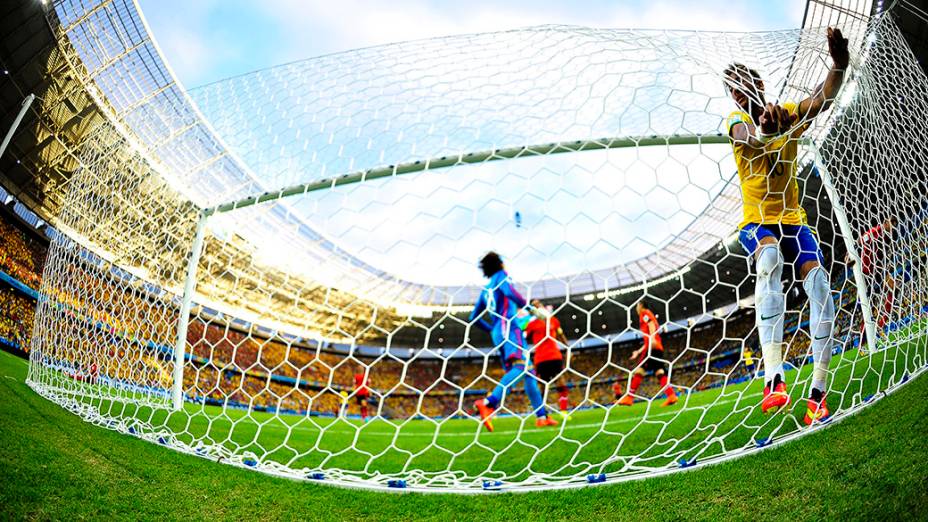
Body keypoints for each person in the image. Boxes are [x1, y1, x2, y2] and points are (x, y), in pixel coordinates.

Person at [723, 27, 849, 424]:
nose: (738, 94)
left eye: (742, 85)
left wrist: (839, 65)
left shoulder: (790, 112)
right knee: (770, 258)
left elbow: (823, 98)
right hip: (756, 222)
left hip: (794, 220)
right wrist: (764, 128)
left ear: (758, 82)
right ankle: (773, 379)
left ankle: (817, 394)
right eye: (732, 91)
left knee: (821, 287)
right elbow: (747, 137)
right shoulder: (736, 119)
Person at [470, 252, 557, 431]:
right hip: (509, 327)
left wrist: (492, 330)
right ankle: (489, 403)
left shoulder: (485, 291)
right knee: (521, 367)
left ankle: (542, 416)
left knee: (529, 372)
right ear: (500, 264)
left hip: (498, 332)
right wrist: (531, 309)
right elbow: (510, 292)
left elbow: (474, 318)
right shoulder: (501, 276)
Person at [617, 300, 678, 407]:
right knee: (659, 372)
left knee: (639, 371)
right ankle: (671, 396)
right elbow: (648, 339)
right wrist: (638, 351)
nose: (636, 308)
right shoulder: (646, 316)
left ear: (640, 305)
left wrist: (653, 338)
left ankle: (629, 397)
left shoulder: (644, 313)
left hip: (652, 347)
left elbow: (650, 323)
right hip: (657, 347)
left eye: (636, 305)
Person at [523, 299, 571, 415]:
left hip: (555, 355)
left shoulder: (553, 320)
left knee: (561, 381)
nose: (537, 306)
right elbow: (524, 337)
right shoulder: (530, 324)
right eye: (534, 305)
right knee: (543, 386)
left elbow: (561, 335)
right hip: (540, 358)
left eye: (538, 304)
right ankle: (542, 412)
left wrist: (568, 348)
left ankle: (564, 410)